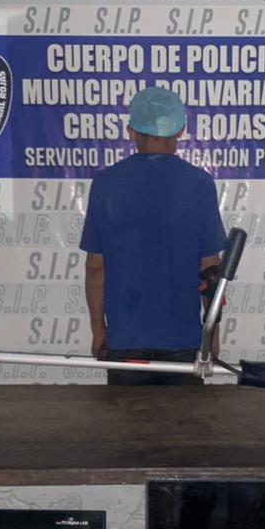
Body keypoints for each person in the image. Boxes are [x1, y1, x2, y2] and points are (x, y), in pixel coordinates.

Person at [80, 86, 226, 385]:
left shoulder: (106, 184)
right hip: (183, 341)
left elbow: (95, 269)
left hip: (125, 341)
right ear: (181, 129)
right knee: (183, 417)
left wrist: (98, 330)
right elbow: (211, 270)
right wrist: (211, 333)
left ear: (131, 131)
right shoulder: (199, 184)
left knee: (126, 416)